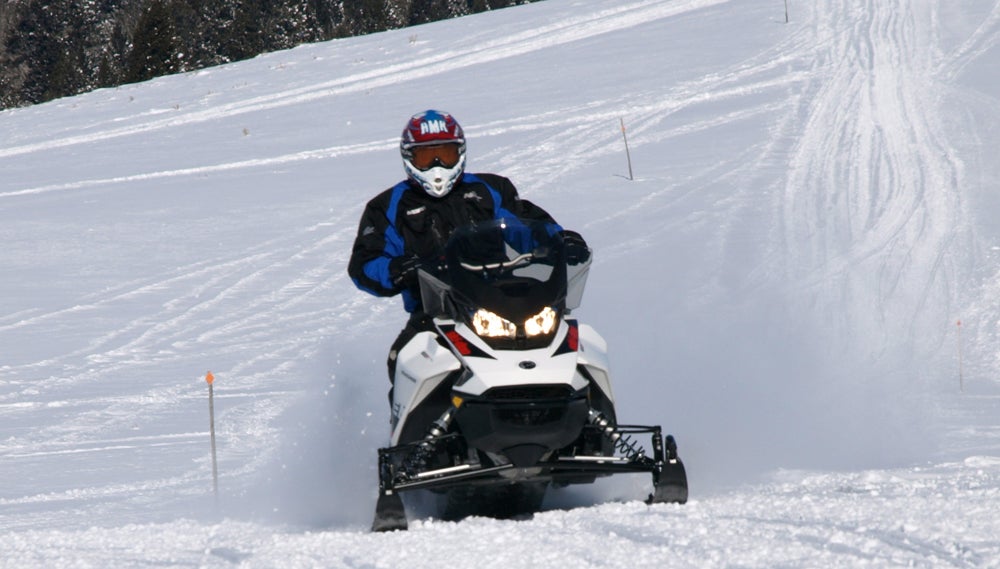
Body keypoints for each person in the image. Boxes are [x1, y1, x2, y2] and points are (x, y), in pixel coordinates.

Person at [347, 110, 588, 402]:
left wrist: (561, 241)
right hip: (435, 314)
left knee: (577, 344)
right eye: (427, 157)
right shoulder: (388, 206)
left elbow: (527, 224)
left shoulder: (490, 190)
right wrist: (397, 269)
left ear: (459, 153)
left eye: (445, 154)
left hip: (504, 303)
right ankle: (414, 444)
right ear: (409, 158)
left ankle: (595, 422)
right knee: (405, 359)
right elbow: (366, 262)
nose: (437, 165)